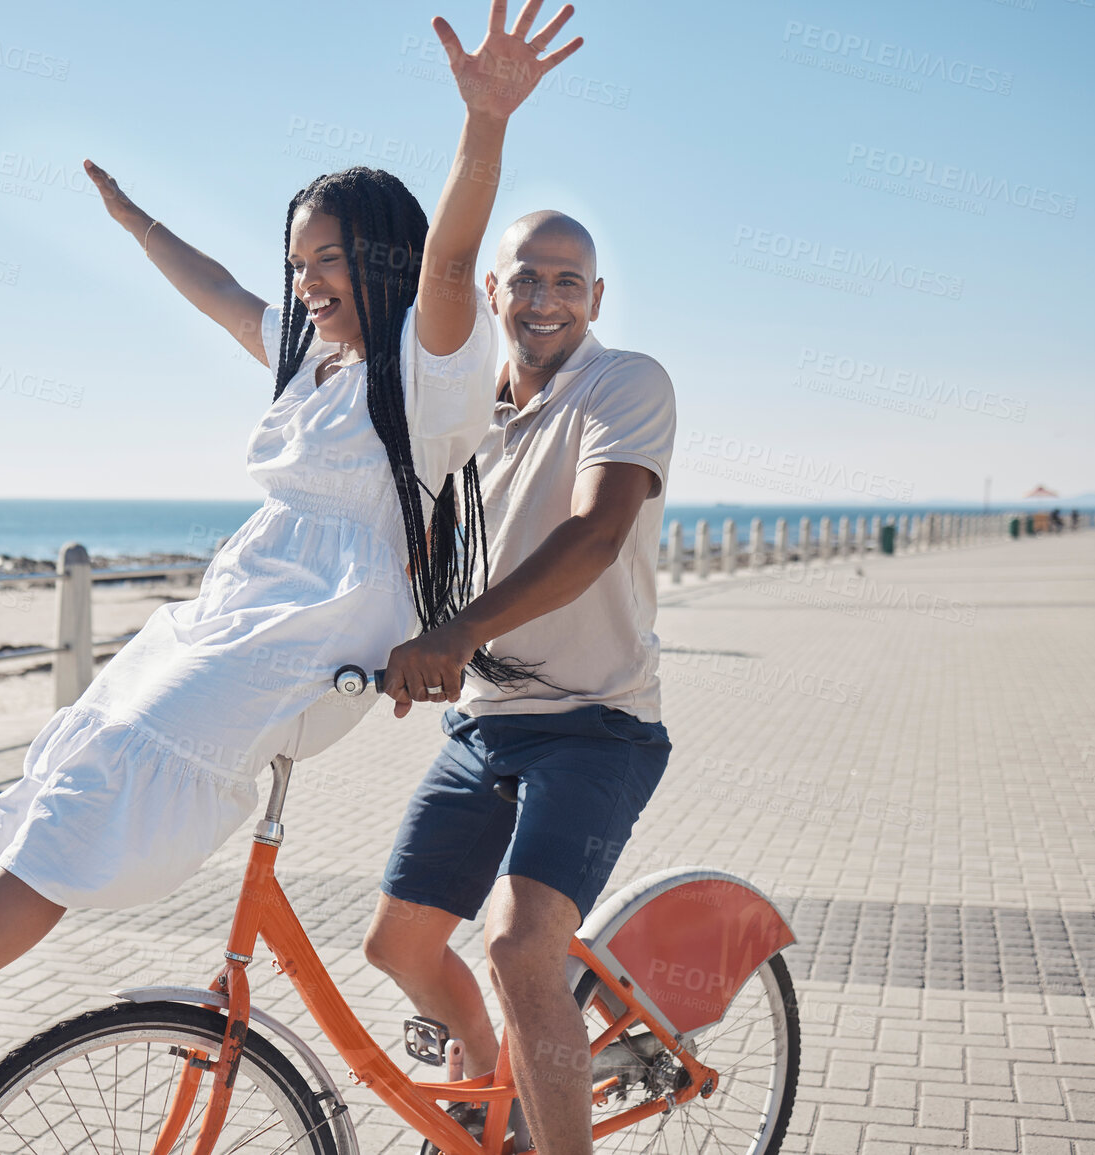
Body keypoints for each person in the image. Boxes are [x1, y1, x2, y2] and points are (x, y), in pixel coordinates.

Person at [0, 0, 585, 1121]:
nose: (306, 286)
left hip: (322, 627)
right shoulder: (318, 367)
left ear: (379, 259)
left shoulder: (429, 363)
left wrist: (481, 127)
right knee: (56, 773)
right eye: (298, 264)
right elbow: (219, 296)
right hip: (239, 607)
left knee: (100, 801)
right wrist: (137, 223)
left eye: (329, 263)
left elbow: (452, 258)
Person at [362, 208, 676, 1155]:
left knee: (515, 943)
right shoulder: (460, 411)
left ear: (595, 298)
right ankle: (489, 1090)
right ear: (490, 291)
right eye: (526, 279)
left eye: (566, 281)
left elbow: (591, 537)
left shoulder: (624, 384)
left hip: (598, 723)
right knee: (398, 946)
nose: (544, 299)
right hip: (482, 723)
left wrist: (453, 634)